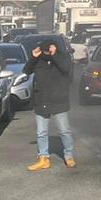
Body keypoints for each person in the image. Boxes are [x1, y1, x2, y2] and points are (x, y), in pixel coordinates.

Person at [23, 40, 75, 170]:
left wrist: (54, 55)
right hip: (42, 100)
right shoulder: (38, 60)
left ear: (54, 48)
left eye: (48, 50)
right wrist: (33, 58)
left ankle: (69, 156)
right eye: (44, 50)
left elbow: (66, 69)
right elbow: (27, 71)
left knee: (64, 131)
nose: (46, 53)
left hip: (59, 100)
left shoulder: (63, 57)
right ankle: (43, 158)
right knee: (41, 132)